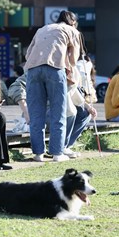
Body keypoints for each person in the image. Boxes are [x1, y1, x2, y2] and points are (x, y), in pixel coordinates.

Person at [24, 10, 81, 162]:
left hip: (33, 69)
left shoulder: (42, 29)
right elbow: (74, 59)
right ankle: (57, 153)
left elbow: (27, 54)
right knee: (58, 112)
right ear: (73, 22)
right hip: (55, 69)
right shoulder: (72, 31)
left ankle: (38, 154)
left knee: (36, 114)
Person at [8, 71, 96, 158]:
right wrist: (26, 111)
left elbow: (73, 93)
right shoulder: (37, 71)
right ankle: (58, 148)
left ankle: (65, 146)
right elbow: (15, 87)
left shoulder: (64, 70)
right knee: (69, 111)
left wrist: (88, 107)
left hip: (56, 112)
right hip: (39, 114)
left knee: (84, 112)